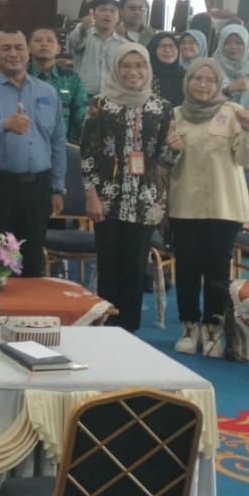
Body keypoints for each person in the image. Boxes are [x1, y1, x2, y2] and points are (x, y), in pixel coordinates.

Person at [79, 43, 180, 332]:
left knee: (135, 268)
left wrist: (175, 148)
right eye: (125, 65)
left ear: (148, 69)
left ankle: (129, 330)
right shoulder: (100, 105)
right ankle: (106, 326)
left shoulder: (162, 108)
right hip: (107, 199)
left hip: (145, 200)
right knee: (109, 266)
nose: (132, 71)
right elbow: (88, 153)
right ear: (115, 68)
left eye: (139, 65)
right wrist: (91, 195)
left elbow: (164, 160)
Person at [169, 58, 249, 356]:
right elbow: (165, 164)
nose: (203, 85)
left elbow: (247, 160)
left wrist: (248, 130)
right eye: (197, 78)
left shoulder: (233, 113)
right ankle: (188, 326)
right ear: (188, 81)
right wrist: (170, 150)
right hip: (184, 205)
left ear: (218, 84)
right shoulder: (175, 115)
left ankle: (212, 329)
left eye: (209, 80)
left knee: (217, 270)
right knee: (187, 268)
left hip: (224, 205)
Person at [0, 29, 65, 278]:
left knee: (32, 264)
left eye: (19, 47)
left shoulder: (47, 92)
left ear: (28, 52)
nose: (13, 54)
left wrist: (57, 187)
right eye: (6, 48)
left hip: (37, 189)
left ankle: (31, 304)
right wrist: (5, 126)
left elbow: (57, 142)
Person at [28, 26, 87, 144]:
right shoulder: (20, 77)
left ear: (58, 49)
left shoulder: (71, 78)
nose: (44, 44)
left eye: (50, 41)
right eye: (38, 40)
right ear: (28, 48)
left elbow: (81, 110)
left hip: (63, 145)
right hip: (28, 145)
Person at [68, 0, 125, 96]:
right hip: (83, 95)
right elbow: (74, 43)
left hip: (113, 96)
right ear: (93, 13)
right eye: (103, 10)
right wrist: (83, 29)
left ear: (118, 17)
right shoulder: (83, 33)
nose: (107, 14)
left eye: (112, 11)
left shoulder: (123, 44)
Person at [213, 23, 249, 123]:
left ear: (247, 44)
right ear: (221, 44)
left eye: (239, 43)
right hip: (213, 126)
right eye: (227, 43)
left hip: (248, 128)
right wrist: (229, 89)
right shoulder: (210, 68)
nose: (233, 47)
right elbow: (202, 103)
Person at [148, 33, 186, 107]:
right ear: (153, 49)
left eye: (171, 46)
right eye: (162, 46)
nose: (167, 50)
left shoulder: (185, 76)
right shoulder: (145, 76)